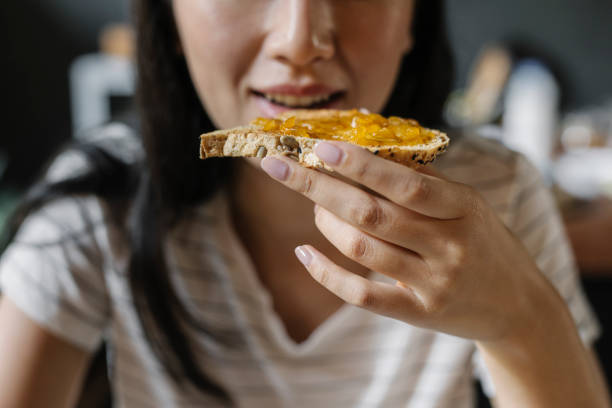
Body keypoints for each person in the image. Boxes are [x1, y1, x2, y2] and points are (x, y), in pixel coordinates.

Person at [0, 0, 609, 407]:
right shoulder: (97, 203)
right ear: (169, 19)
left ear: (414, 20)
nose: (301, 40)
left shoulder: (494, 196)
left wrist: (521, 319)